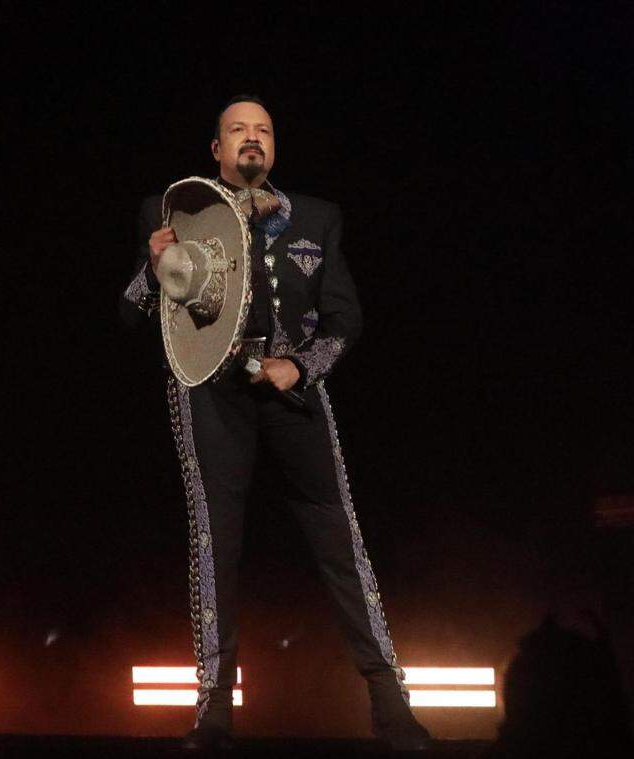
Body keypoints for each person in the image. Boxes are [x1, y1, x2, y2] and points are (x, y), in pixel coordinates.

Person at [120, 95, 431, 751]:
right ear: (216, 150)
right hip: (212, 391)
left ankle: (391, 703)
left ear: (274, 147)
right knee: (216, 544)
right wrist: (153, 271)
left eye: (263, 130)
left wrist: (302, 367)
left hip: (293, 391)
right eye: (237, 130)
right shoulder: (173, 212)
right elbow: (130, 312)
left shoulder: (316, 217)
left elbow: (347, 321)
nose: (251, 138)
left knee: (341, 541)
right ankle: (214, 712)